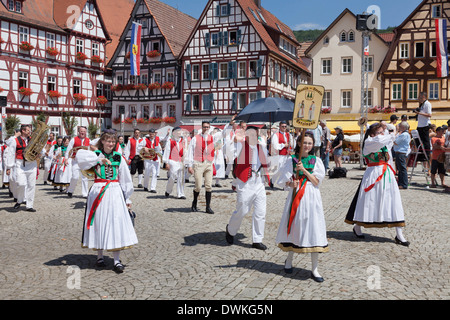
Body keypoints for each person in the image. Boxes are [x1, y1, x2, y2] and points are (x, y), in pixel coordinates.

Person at [77, 131, 137, 274]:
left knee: (115, 223)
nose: (110, 144)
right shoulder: (95, 154)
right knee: (99, 222)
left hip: (114, 191)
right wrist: (99, 160)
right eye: (108, 141)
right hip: (98, 190)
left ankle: (116, 260)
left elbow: (125, 178)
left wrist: (127, 198)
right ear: (102, 141)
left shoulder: (119, 157)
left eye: (113, 141)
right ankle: (100, 257)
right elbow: (80, 156)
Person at [275, 132, 328, 282]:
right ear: (299, 143)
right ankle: (289, 260)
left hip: (311, 197)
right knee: (295, 226)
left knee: (314, 228)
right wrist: (291, 183)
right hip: (296, 195)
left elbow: (317, 181)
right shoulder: (290, 160)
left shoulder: (316, 160)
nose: (307, 145)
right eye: (304, 142)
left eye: (310, 143)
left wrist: (303, 170)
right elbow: (282, 181)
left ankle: (315, 268)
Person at [345, 123, 409, 246]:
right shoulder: (369, 143)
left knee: (393, 201)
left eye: (382, 132)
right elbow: (380, 139)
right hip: (373, 174)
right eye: (379, 132)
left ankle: (399, 233)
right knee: (368, 200)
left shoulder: (385, 142)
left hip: (387, 174)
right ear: (372, 134)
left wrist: (390, 130)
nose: (382, 134)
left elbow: (387, 141)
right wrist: (392, 134)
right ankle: (357, 227)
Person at [225, 126, 270, 250]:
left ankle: (257, 239)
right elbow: (229, 149)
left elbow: (266, 162)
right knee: (243, 210)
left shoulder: (261, 147)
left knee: (260, 212)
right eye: (250, 135)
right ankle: (230, 230)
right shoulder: (241, 146)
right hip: (245, 183)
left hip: (259, 182)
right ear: (246, 136)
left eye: (255, 135)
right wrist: (235, 139)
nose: (254, 137)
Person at [5, 124, 41, 212]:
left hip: (32, 164)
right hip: (20, 164)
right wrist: (9, 167)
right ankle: (19, 200)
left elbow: (41, 150)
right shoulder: (15, 140)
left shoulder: (33, 139)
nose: (30, 132)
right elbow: (11, 153)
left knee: (31, 185)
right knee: (21, 184)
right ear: (23, 131)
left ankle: (29, 205)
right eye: (28, 130)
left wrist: (40, 152)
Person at [187, 121, 216, 214]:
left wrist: (212, 160)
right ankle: (194, 203)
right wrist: (189, 165)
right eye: (204, 127)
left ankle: (208, 207)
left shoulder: (211, 138)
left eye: (208, 127)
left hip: (208, 164)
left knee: (209, 185)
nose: (206, 129)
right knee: (198, 186)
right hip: (198, 163)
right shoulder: (195, 138)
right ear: (201, 127)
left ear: (209, 128)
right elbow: (190, 152)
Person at [65, 126, 90, 198]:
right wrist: (66, 159)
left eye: (84, 131)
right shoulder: (74, 139)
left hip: (85, 161)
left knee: (85, 177)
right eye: (81, 131)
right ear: (78, 132)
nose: (82, 133)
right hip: (75, 161)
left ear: (86, 132)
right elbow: (68, 150)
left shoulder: (89, 140)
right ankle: (70, 190)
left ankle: (85, 193)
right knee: (75, 177)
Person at [163, 127, 186, 199]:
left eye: (180, 131)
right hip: (172, 160)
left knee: (181, 178)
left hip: (180, 161)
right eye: (178, 131)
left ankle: (180, 193)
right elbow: (167, 151)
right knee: (173, 176)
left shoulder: (183, 141)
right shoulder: (170, 141)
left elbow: (186, 151)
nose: (180, 133)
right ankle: (168, 190)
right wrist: (166, 162)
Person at [139, 129, 161, 193]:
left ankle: (152, 188)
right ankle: (145, 186)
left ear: (155, 134)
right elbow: (139, 146)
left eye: (153, 134)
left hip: (155, 159)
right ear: (149, 134)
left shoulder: (157, 140)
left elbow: (165, 139)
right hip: (147, 159)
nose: (151, 135)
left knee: (155, 173)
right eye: (150, 134)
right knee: (147, 173)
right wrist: (144, 148)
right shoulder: (145, 139)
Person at [393, 122, 411, 189]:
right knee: (400, 169)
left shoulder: (404, 135)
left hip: (401, 153)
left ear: (403, 127)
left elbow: (395, 142)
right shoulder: (405, 134)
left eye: (400, 126)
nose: (399, 128)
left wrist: (396, 132)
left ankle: (404, 184)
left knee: (402, 169)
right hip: (400, 153)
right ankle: (401, 183)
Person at [415, 92, 432, 160]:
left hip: (425, 124)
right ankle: (421, 154)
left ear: (423, 97)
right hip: (420, 125)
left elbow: (429, 115)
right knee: (418, 139)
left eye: (419, 97)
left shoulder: (427, 104)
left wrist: (419, 113)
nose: (418, 98)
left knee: (425, 140)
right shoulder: (422, 104)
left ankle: (427, 155)